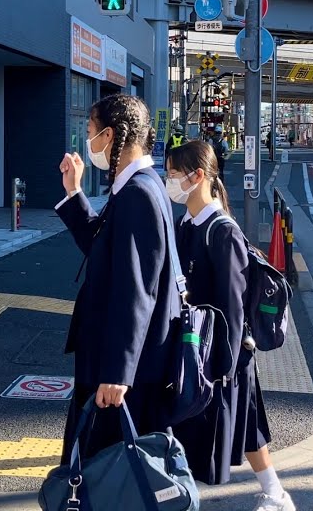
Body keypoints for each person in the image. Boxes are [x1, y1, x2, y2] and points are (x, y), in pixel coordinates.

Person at [165, 141, 295, 511]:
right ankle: (273, 494)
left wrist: (223, 363)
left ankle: (274, 494)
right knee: (242, 424)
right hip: (195, 343)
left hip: (220, 353)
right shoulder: (187, 224)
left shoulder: (221, 231)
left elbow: (233, 305)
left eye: (174, 174)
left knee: (240, 422)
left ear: (198, 176)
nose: (169, 181)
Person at [55, 94, 178, 461]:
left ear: (109, 136)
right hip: (121, 360)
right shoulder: (138, 185)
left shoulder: (137, 193)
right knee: (109, 470)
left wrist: (117, 372)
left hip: (122, 368)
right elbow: (103, 247)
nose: (88, 142)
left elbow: (136, 289)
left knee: (108, 470)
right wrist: (74, 192)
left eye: (90, 132)